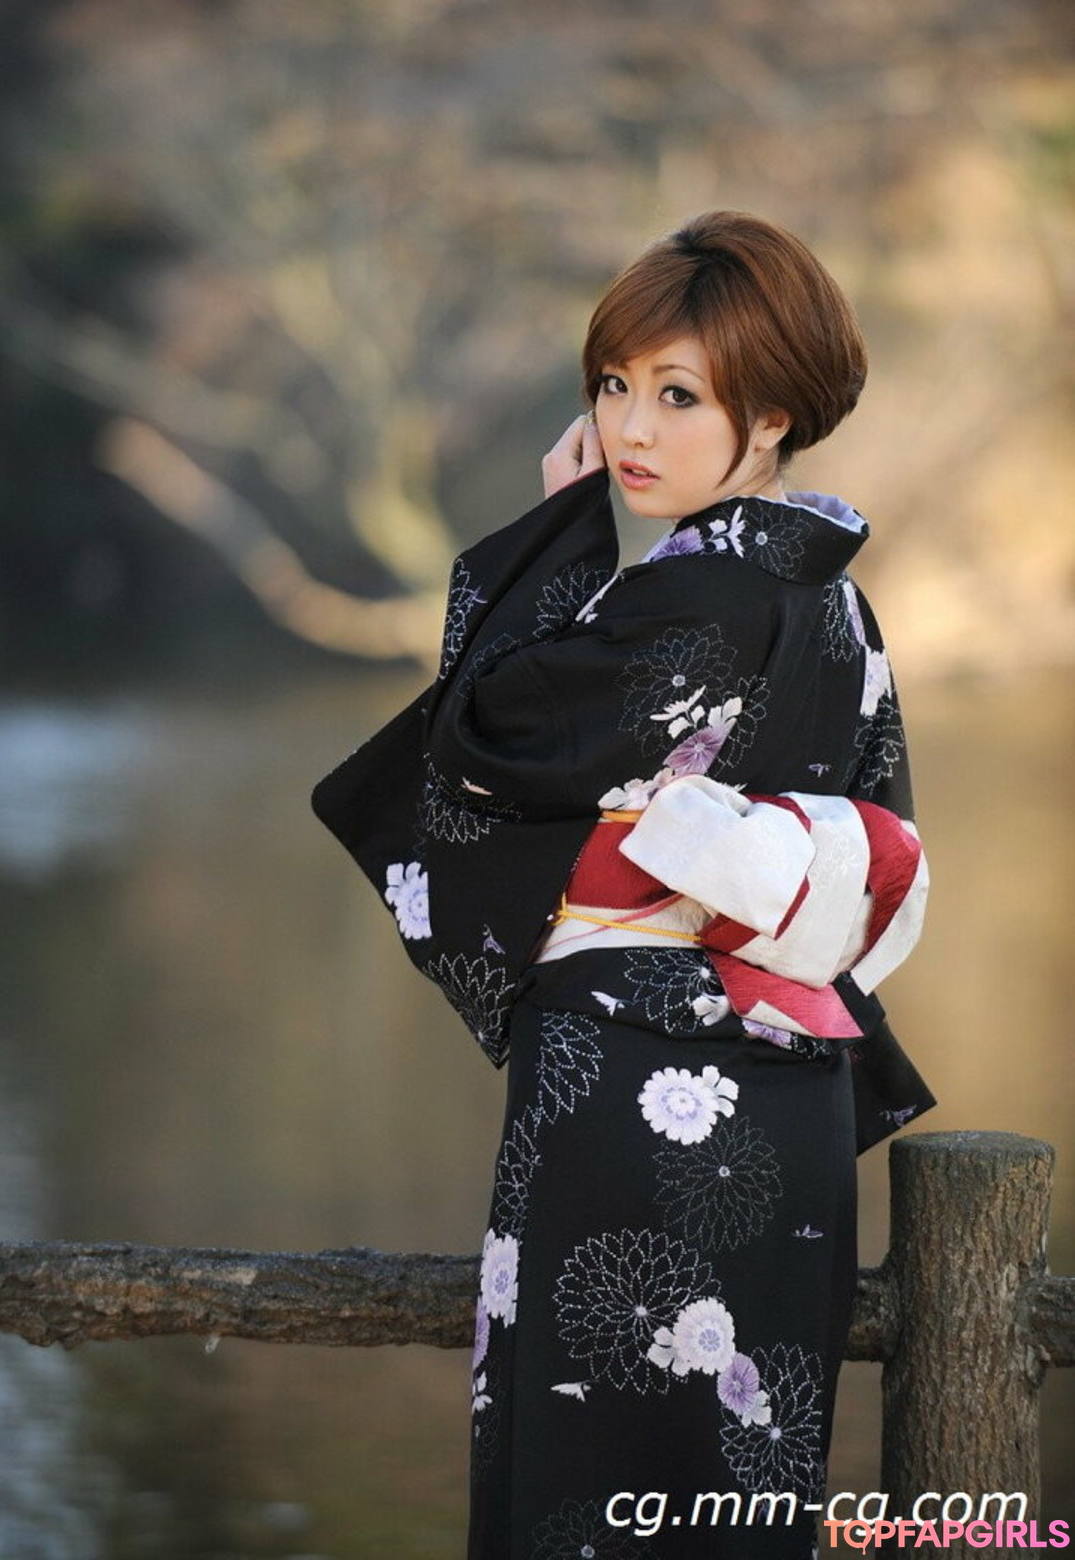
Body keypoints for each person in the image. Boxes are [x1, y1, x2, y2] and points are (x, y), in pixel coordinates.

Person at [310, 211, 935, 1559]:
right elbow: (879, 840)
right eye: (613, 385)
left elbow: (483, 743)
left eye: (677, 395)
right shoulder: (835, 602)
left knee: (586, 1491)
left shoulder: (695, 599)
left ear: (771, 416)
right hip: (788, 1093)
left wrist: (558, 536)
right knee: (732, 1486)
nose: (630, 428)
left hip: (635, 1085)